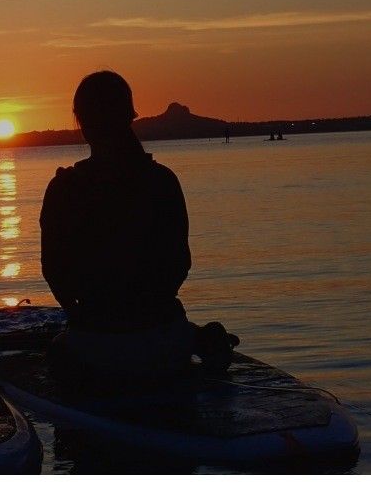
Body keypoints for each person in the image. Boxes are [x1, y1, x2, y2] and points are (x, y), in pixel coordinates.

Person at [40, 71, 235, 386]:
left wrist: (80, 317)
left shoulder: (64, 189)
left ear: (80, 120)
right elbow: (179, 265)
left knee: (57, 354)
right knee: (193, 336)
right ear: (129, 115)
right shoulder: (163, 180)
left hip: (97, 344)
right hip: (166, 339)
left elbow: (53, 272)